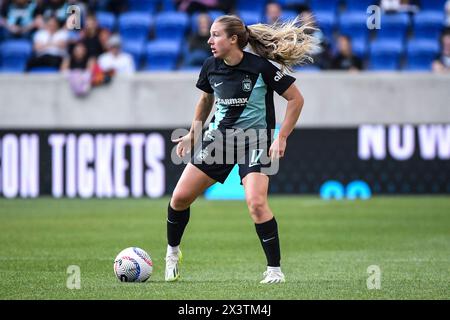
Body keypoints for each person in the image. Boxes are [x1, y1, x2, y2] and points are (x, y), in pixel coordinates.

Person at [165, 15, 317, 284]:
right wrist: (192, 134)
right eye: (210, 35)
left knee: (257, 204)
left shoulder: (261, 67)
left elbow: (296, 99)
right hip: (219, 143)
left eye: (216, 35)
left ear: (233, 39)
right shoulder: (210, 66)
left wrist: (282, 136)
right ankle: (172, 255)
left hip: (255, 142)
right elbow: (205, 99)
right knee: (178, 200)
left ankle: (274, 271)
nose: (210, 41)